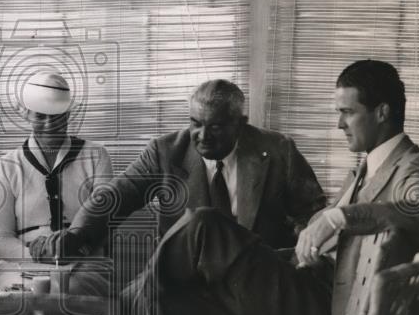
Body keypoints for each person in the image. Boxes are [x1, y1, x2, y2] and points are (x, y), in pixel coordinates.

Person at [106, 60, 419, 315]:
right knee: (169, 305)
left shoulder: (415, 166)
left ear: (382, 112)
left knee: (203, 225)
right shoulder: (366, 169)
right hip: (306, 291)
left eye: (347, 112)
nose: (339, 124)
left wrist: (339, 218)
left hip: (321, 313)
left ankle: (121, 309)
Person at [28, 79, 327, 295]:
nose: (202, 136)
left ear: (240, 123)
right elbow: (114, 197)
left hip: (257, 281)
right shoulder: (166, 152)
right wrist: (78, 234)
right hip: (187, 282)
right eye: (195, 123)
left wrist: (304, 251)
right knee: (125, 314)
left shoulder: (277, 151)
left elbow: (313, 215)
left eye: (216, 126)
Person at [0, 72, 113, 292]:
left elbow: (104, 224)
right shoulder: (7, 165)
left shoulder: (97, 156)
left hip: (83, 262)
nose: (49, 124)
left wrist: (71, 252)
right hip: (21, 264)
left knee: (69, 289)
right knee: (17, 300)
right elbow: (0, 239)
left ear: (68, 113)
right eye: (40, 116)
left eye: (56, 115)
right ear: (26, 113)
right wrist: (39, 257)